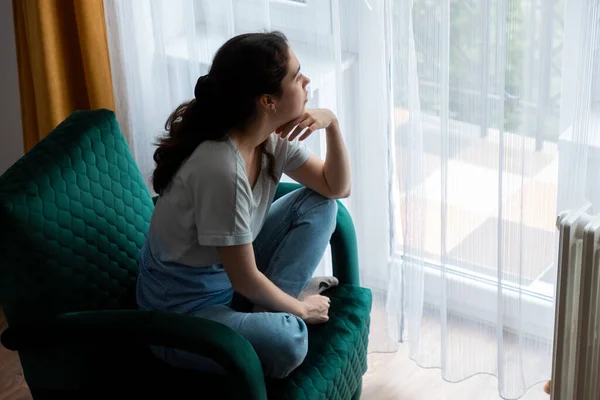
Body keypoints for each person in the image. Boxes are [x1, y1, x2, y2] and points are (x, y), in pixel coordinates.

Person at [136, 31, 351, 379]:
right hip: (181, 313)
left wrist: (332, 125)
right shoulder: (221, 166)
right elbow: (245, 279)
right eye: (297, 76)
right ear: (268, 100)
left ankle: (267, 310)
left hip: (230, 277)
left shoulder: (269, 139)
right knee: (289, 342)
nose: (307, 81)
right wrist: (300, 309)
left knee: (321, 205)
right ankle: (282, 308)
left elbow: (336, 187)